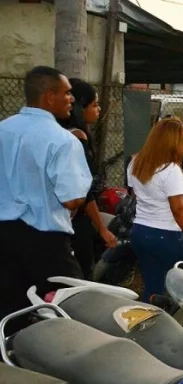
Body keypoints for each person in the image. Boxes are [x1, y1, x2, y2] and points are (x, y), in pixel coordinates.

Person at [0, 66, 91, 319]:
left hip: (4, 237)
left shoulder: (2, 130)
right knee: (69, 311)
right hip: (45, 243)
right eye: (67, 93)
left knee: (9, 313)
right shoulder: (62, 140)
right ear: (49, 96)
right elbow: (72, 199)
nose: (72, 99)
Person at [127, 117, 183, 302]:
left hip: (140, 232)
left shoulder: (135, 163)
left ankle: (144, 326)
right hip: (165, 235)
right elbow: (178, 209)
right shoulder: (171, 170)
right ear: (176, 141)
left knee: (153, 287)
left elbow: (136, 195)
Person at [58, 79, 118, 279]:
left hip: (60, 216)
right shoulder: (77, 137)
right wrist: (102, 229)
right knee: (82, 273)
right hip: (76, 217)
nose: (99, 109)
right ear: (78, 108)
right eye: (94, 105)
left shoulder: (59, 133)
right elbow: (84, 190)